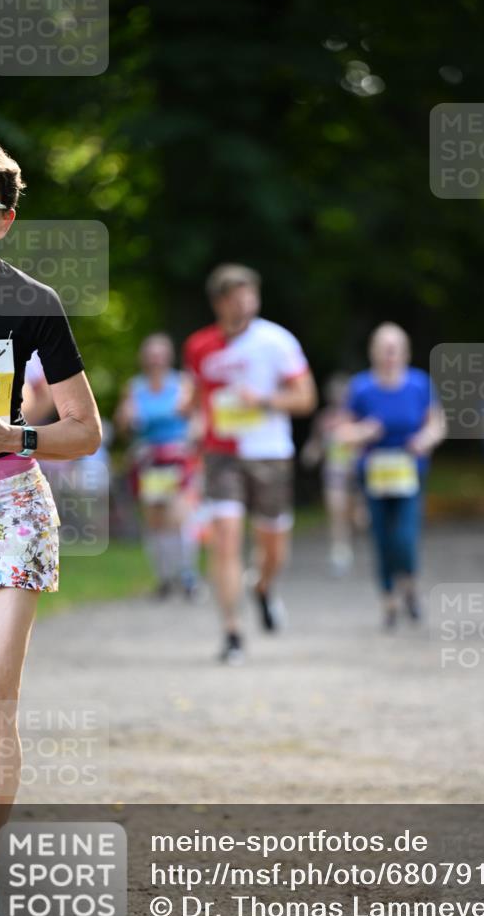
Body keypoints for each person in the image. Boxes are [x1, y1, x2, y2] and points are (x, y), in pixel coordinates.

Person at [0, 137, 101, 916]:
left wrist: (15, 436)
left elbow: (85, 429)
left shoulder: (30, 302)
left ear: (4, 220)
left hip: (6, 506)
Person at [184, 264, 317, 663]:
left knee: (272, 545)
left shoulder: (276, 342)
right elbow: (196, 397)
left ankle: (263, 585)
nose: (246, 302)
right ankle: (232, 632)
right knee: (225, 538)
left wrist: (263, 400)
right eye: (236, 296)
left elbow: (305, 398)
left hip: (269, 455)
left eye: (250, 295)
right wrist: (191, 417)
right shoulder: (200, 346)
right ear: (219, 303)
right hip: (222, 454)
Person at [339, 323, 445, 629]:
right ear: (373, 352)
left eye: (394, 348)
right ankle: (388, 600)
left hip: (409, 472)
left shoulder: (418, 384)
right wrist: (363, 432)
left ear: (404, 352)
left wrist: (424, 440)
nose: (389, 354)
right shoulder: (361, 388)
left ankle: (409, 585)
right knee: (381, 538)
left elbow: (436, 424)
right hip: (374, 474)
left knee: (405, 537)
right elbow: (343, 432)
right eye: (384, 348)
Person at [115, 333, 200, 597]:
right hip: (148, 458)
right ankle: (163, 578)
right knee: (154, 519)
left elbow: (198, 419)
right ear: (144, 359)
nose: (156, 361)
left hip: (177, 455)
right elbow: (122, 424)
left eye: (160, 355)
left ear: (168, 357)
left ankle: (187, 575)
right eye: (151, 355)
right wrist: (126, 419)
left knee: (179, 515)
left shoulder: (182, 384)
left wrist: (192, 441)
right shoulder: (135, 387)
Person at [301, 373, 366, 576]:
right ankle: (341, 552)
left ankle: (355, 543)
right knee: (337, 513)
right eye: (335, 394)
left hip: (356, 474)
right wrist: (311, 454)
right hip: (334, 473)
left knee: (358, 518)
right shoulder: (325, 419)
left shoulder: (358, 417)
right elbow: (316, 444)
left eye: (343, 393)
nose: (339, 397)